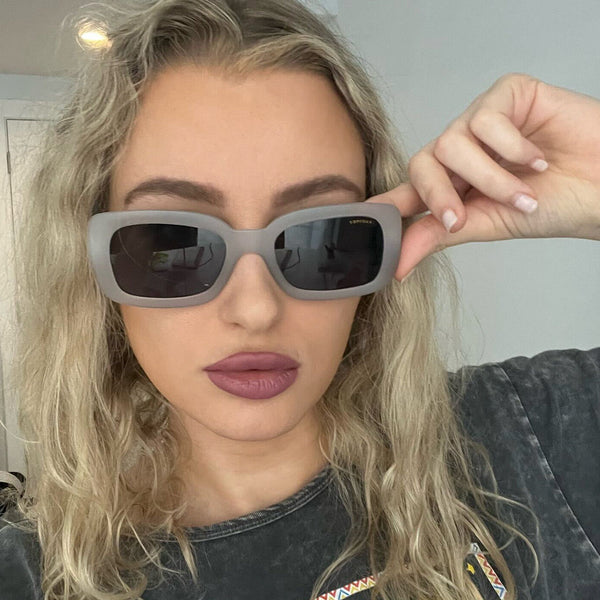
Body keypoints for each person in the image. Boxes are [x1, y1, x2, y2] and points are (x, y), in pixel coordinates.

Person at [0, 1, 598, 599]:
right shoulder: (27, 574)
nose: (256, 309)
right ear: (93, 266)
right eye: (173, 243)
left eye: (320, 238)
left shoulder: (540, 438)